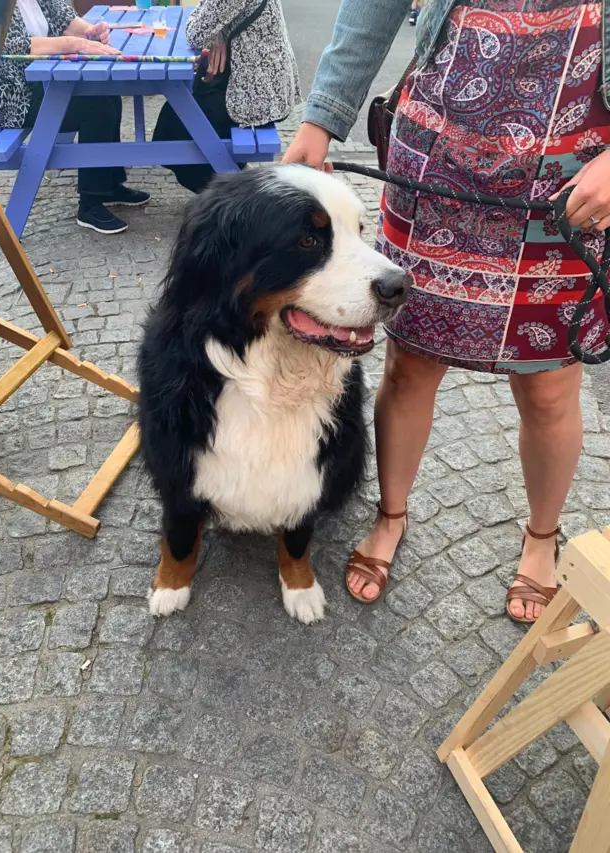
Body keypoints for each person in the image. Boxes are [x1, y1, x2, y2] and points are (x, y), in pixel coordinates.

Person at [284, 0, 610, 623]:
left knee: (548, 389)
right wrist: (323, 116)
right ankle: (391, 516)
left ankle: (542, 540)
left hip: (575, 177)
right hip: (438, 157)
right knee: (409, 365)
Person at [0, 0, 150, 235]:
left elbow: (66, 20)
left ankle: (109, 185)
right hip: (14, 97)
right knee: (96, 108)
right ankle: (89, 205)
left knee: (108, 96)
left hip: (43, 82)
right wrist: (74, 44)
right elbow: (9, 46)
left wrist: (90, 32)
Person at [152, 0, 300, 193]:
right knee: (178, 114)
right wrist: (218, 33)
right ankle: (233, 177)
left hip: (258, 94)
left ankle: (229, 193)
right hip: (259, 84)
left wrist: (214, 31)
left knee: (178, 119)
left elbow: (195, 32)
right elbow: (205, 13)